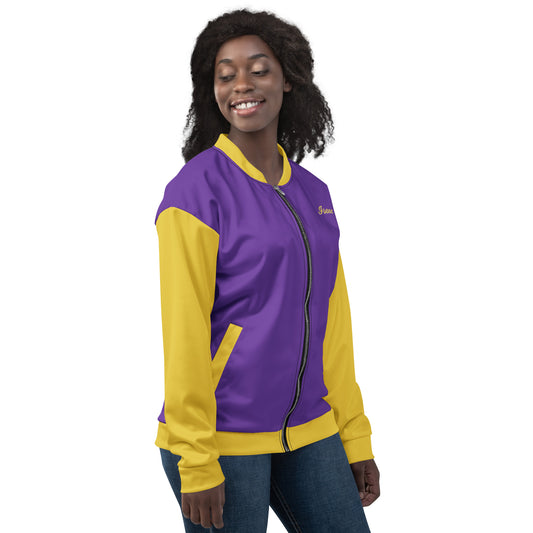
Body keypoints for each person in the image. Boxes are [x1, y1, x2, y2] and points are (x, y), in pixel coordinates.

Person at [154, 8, 380, 532]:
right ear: (211, 90)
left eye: (258, 69)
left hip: (311, 428)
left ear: (288, 79)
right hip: (222, 438)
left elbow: (333, 327)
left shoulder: (313, 194)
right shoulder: (195, 193)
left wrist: (354, 436)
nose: (242, 84)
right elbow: (184, 335)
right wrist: (197, 459)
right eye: (225, 74)